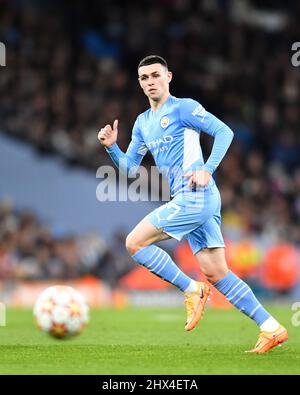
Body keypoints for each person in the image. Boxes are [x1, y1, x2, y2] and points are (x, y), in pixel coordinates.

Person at [97, 55, 288, 353]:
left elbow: (225, 131)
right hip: (193, 200)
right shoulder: (143, 123)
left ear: (168, 77)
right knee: (216, 273)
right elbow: (130, 168)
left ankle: (191, 289)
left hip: (197, 196)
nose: (150, 82)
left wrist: (207, 169)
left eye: (156, 75)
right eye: (144, 78)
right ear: (139, 83)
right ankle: (270, 327)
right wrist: (111, 149)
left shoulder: (183, 107)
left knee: (135, 243)